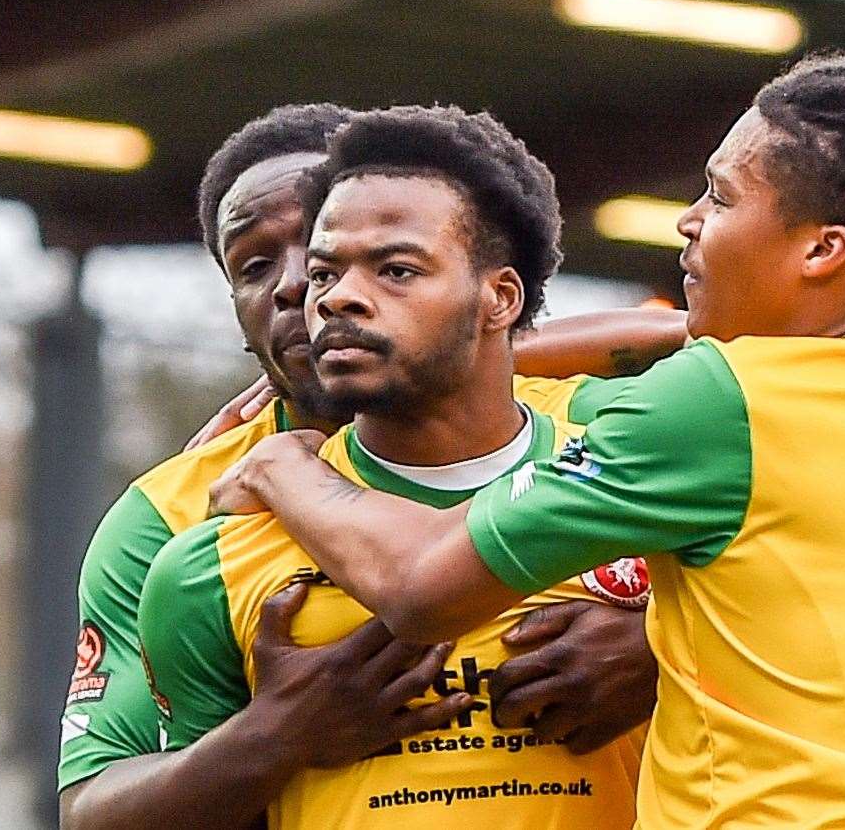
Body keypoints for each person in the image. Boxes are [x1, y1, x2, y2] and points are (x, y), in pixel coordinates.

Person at [212, 49, 845, 828]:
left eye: (721, 197)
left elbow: (421, 590)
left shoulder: (713, 407)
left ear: (823, 251)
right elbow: (674, 339)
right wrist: (450, 343)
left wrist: (286, 463)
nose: (689, 221)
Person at [59, 103, 686, 830]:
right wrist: (278, 732)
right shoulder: (180, 525)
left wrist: (661, 645)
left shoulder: (614, 441)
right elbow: (92, 807)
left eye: (390, 264)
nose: (308, 288)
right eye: (259, 264)